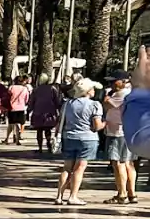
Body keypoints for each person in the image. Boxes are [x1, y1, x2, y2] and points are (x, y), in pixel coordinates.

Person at [56, 78, 105, 206]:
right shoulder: (94, 105)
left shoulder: (68, 104)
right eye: (92, 89)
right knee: (79, 168)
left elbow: (61, 121)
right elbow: (96, 126)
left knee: (66, 167)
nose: (94, 91)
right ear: (88, 91)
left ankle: (59, 196)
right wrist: (106, 123)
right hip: (87, 139)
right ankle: (73, 196)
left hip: (69, 137)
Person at [102, 74, 137, 204]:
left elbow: (106, 105)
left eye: (114, 82)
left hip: (117, 133)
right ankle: (132, 193)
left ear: (123, 81)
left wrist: (107, 95)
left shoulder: (121, 94)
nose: (111, 85)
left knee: (118, 163)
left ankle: (122, 194)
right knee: (129, 163)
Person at [30, 72, 64, 155]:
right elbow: (56, 101)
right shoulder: (52, 89)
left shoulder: (36, 90)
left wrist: (29, 110)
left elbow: (32, 101)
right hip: (49, 112)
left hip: (38, 112)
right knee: (48, 129)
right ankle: (48, 143)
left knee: (39, 130)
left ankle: (40, 147)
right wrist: (60, 110)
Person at [5, 73, 32, 146]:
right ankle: (17, 139)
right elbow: (27, 99)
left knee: (11, 124)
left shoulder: (11, 87)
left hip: (12, 108)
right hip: (21, 108)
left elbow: (7, 97)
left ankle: (7, 139)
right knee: (18, 124)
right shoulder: (25, 89)